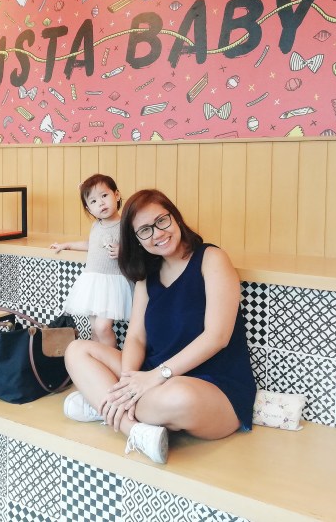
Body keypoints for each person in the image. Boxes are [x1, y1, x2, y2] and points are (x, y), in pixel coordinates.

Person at [62, 189, 256, 464]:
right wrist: (128, 382)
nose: (157, 233)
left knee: (179, 397)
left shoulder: (212, 258)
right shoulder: (147, 275)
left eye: (161, 221)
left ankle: (102, 405)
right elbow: (136, 338)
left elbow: (217, 337)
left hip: (213, 388)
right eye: (144, 230)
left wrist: (156, 376)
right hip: (151, 378)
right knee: (77, 350)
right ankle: (134, 430)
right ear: (136, 240)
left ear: (175, 217)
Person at [50, 174, 133, 347]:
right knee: (94, 328)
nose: (101, 203)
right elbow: (91, 244)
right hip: (94, 283)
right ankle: (96, 359)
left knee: (103, 327)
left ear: (117, 195)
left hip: (113, 285)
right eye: (93, 201)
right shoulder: (96, 225)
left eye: (104, 196)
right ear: (89, 209)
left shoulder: (125, 225)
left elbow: (138, 248)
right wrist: (67, 245)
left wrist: (123, 251)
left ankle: (112, 359)